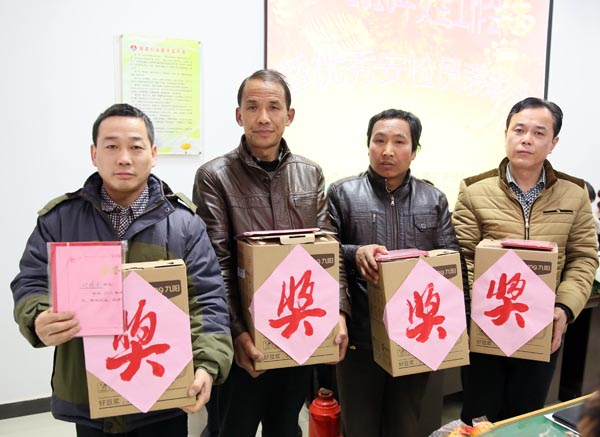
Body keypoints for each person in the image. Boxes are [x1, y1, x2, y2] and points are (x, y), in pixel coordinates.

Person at [11, 103, 233, 436]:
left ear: (153, 154)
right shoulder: (60, 220)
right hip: (89, 395)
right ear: (94, 154)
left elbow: (208, 299)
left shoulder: (185, 224)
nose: (124, 158)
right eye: (112, 146)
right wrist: (37, 317)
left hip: (164, 396)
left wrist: (207, 364)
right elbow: (30, 282)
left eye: (136, 147)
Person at [193, 69, 350, 437]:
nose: (263, 117)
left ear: (289, 116)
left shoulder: (309, 173)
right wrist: (236, 333)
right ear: (239, 115)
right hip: (244, 341)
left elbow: (328, 249)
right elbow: (216, 265)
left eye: (274, 107)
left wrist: (339, 312)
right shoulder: (214, 176)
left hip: (297, 330)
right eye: (252, 107)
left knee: (286, 427)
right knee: (231, 429)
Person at [453, 97, 599, 423]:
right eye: (518, 130)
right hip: (485, 328)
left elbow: (583, 258)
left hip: (542, 327)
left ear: (553, 142)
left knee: (525, 416)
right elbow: (463, 257)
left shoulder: (574, 194)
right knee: (479, 417)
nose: (526, 139)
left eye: (538, 132)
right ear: (506, 133)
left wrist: (564, 308)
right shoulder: (474, 190)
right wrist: (478, 308)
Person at [327, 109, 463, 436]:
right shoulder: (342, 193)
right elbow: (325, 254)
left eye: (399, 142)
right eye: (379, 141)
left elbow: (452, 260)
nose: (388, 151)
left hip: (415, 334)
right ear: (368, 146)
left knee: (404, 422)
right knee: (358, 426)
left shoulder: (433, 199)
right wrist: (355, 252)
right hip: (360, 335)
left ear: (414, 150)